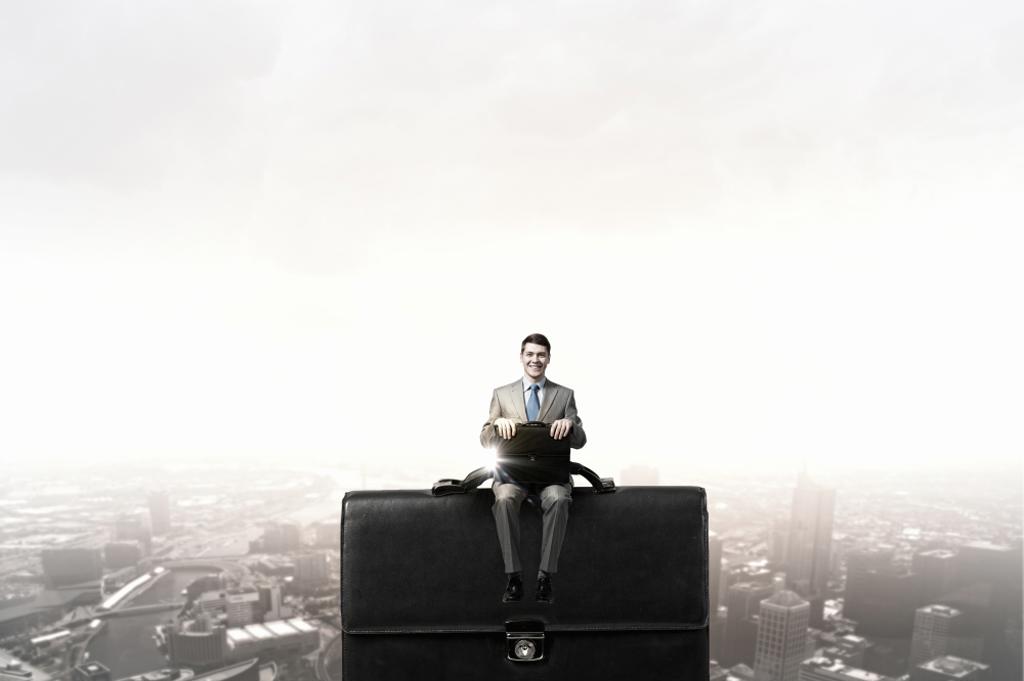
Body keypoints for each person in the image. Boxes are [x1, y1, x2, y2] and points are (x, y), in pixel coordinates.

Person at [480, 333, 587, 604]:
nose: (535, 360)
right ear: (521, 357)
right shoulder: (501, 395)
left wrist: (571, 426)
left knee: (560, 498)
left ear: (548, 359)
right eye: (530, 354)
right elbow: (484, 439)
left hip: (551, 477)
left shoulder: (564, 395)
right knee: (503, 498)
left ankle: (544, 577)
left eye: (541, 355)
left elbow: (581, 440)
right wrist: (497, 425)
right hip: (513, 477)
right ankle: (513, 576)